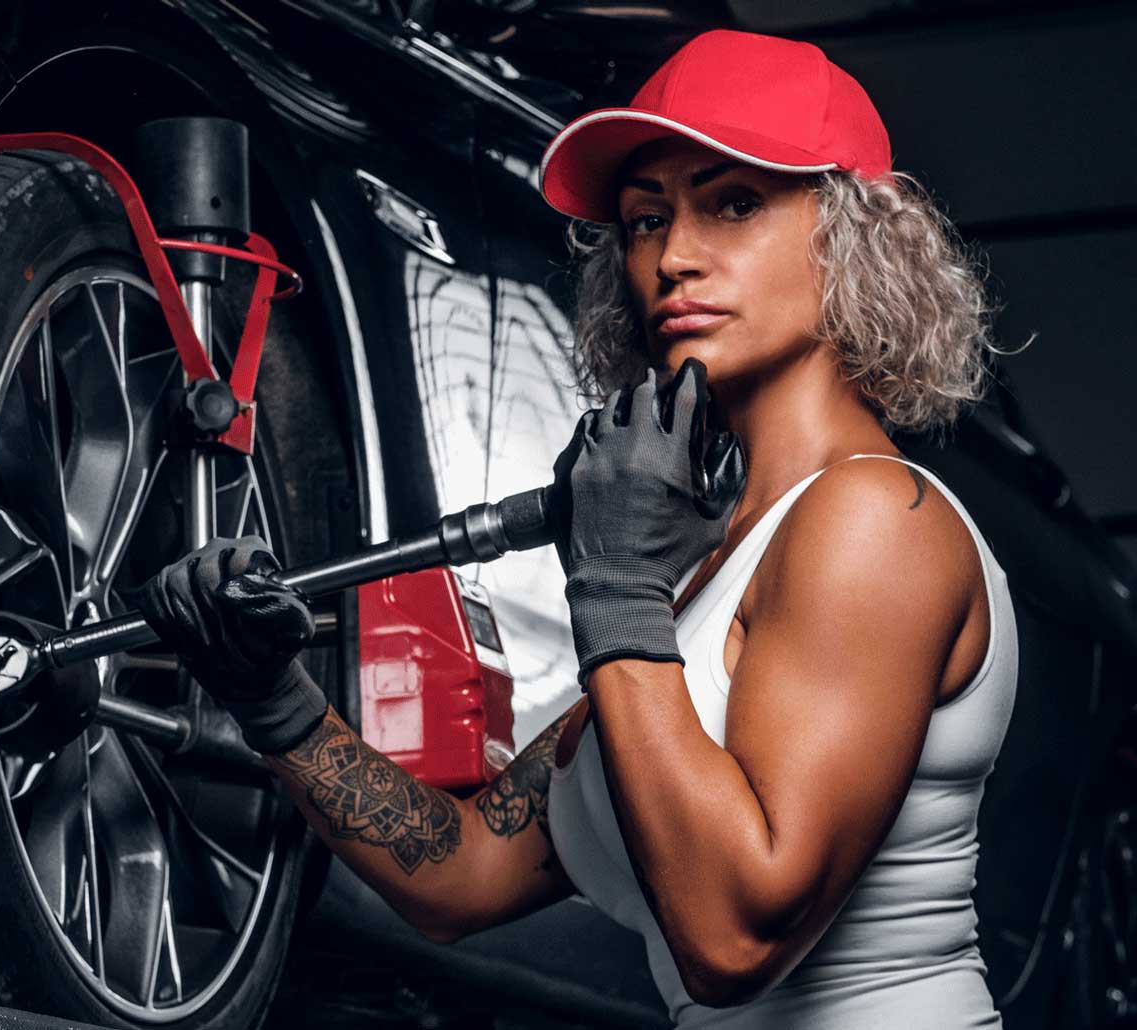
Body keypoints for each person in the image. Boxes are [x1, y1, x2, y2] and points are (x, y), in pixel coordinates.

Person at [137, 28, 1019, 1029]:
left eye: (732, 201)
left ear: (858, 233)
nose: (675, 257)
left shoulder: (871, 519)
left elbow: (736, 940)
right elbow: (461, 874)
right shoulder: (691, 576)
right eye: (645, 221)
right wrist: (275, 701)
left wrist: (612, 592)